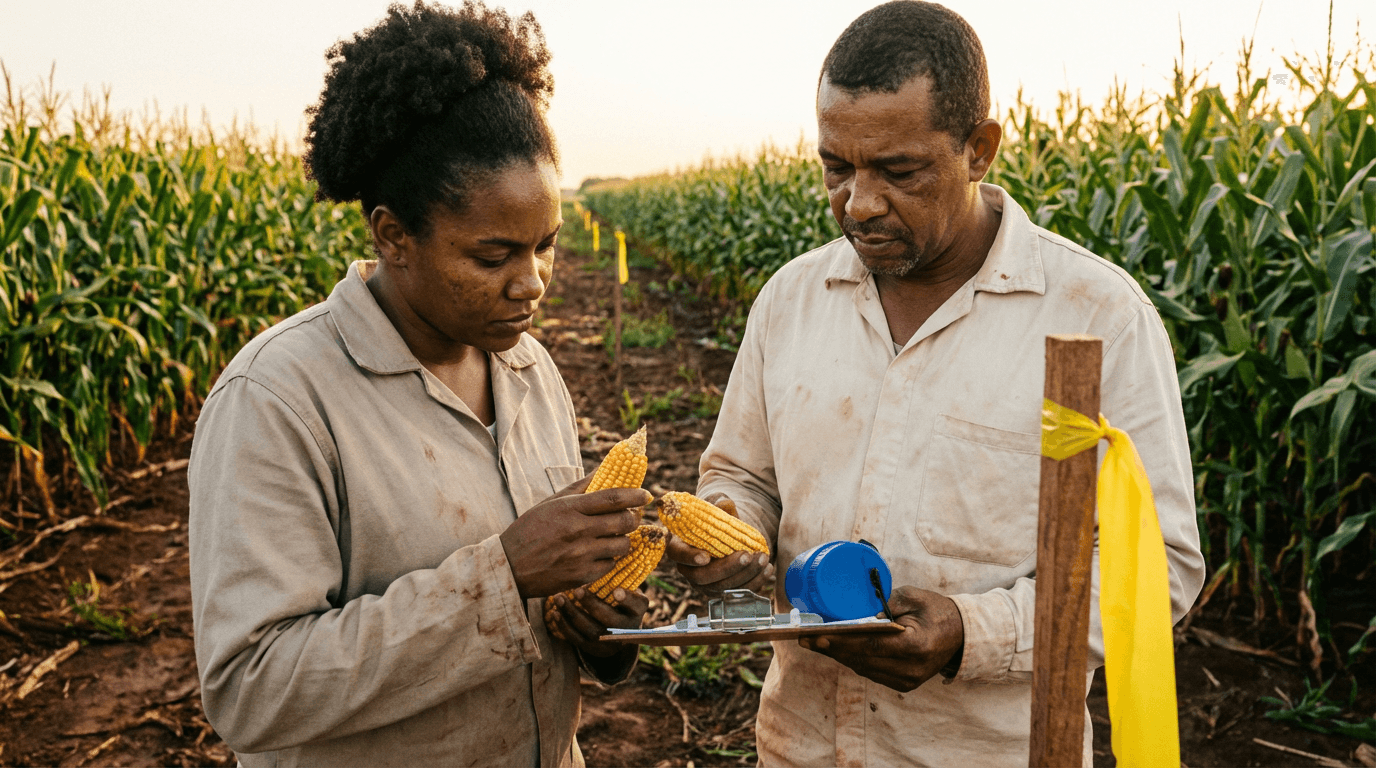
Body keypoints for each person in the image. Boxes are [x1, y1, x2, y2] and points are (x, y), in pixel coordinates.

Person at [665, 2, 1206, 765]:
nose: (858, 203)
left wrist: (969, 633)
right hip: (800, 743)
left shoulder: (1097, 316)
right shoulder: (789, 300)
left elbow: (1160, 570)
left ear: (979, 149)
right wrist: (729, 527)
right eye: (835, 166)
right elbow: (741, 474)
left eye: (897, 171)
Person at [187, 3, 650, 766]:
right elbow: (251, 689)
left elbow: (552, 608)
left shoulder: (532, 372)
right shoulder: (277, 400)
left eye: (546, 246)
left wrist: (600, 625)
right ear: (393, 237)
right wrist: (500, 576)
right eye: (493, 255)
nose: (530, 284)